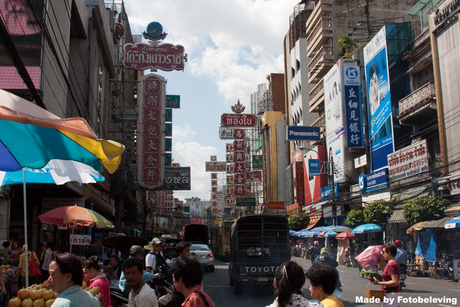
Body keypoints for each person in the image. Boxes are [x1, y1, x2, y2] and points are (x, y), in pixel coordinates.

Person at [372, 243, 400, 307]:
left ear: (389, 252)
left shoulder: (391, 265)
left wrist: (379, 283)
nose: (383, 253)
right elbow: (382, 268)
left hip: (391, 295)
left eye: (384, 252)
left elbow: (395, 282)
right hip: (391, 295)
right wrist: (382, 256)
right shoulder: (392, 262)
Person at [170, 242, 192, 307]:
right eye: (186, 250)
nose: (189, 253)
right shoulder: (178, 264)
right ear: (180, 252)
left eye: (189, 250)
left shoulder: (188, 263)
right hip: (179, 296)